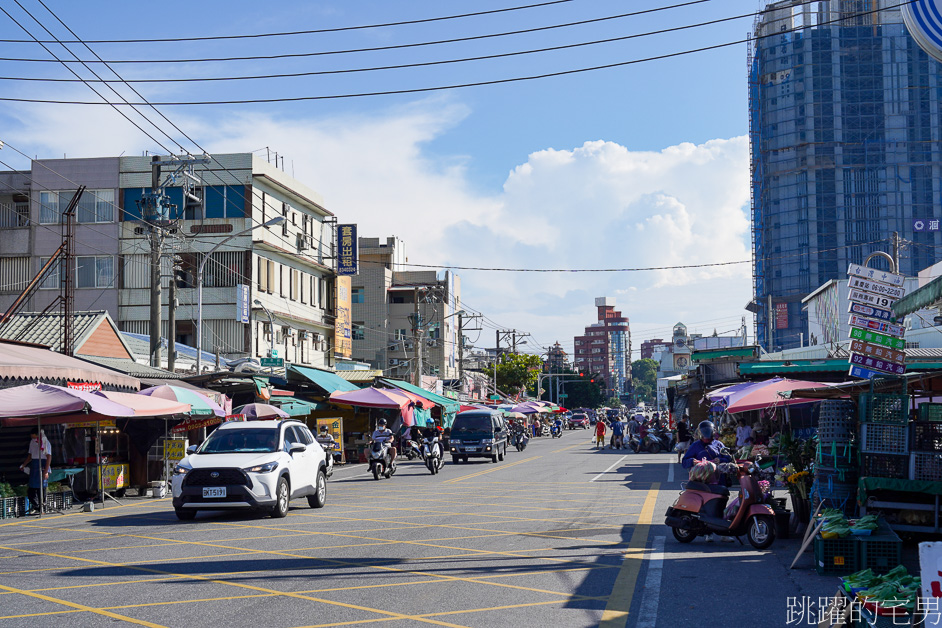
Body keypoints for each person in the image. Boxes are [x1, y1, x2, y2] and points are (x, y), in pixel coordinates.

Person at [682, 421, 735, 543]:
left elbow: (728, 457)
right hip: (703, 482)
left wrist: (719, 459)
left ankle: (723, 533)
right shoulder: (695, 446)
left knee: (721, 505)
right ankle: (708, 532)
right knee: (706, 506)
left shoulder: (719, 444)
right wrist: (693, 461)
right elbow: (685, 462)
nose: (707, 438)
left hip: (719, 480)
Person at [18, 429, 51, 515]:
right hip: (34, 465)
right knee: (32, 489)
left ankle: (42, 507)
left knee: (41, 488)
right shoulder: (32, 442)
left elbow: (49, 457)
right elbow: (30, 456)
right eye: (32, 437)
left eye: (34, 437)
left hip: (43, 464)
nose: (33, 439)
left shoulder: (45, 442)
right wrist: (24, 465)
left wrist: (46, 471)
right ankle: (36, 506)